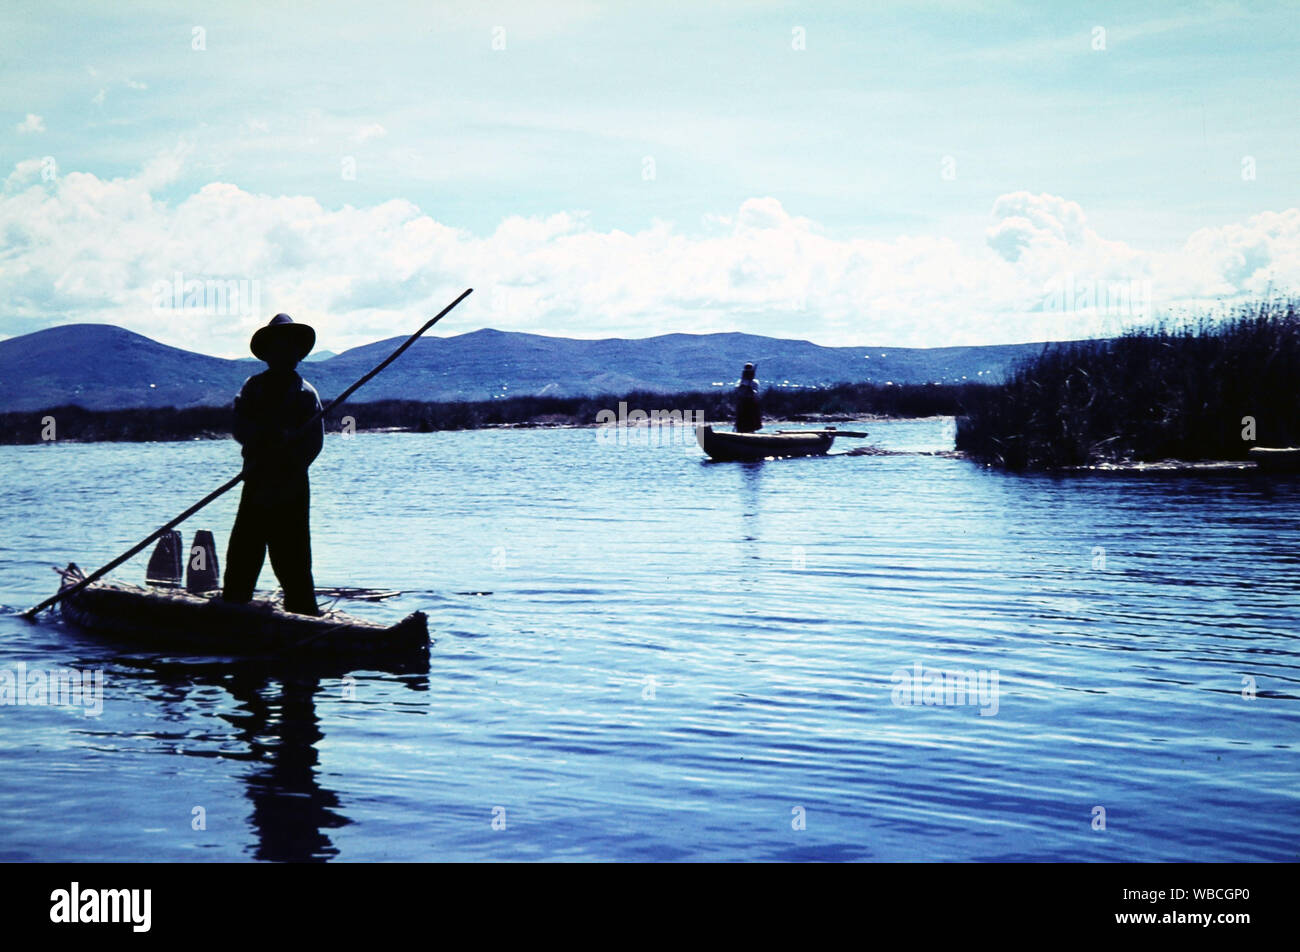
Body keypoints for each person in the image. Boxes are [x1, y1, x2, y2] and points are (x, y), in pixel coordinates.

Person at [222, 313, 324, 616]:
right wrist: (263, 440)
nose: (286, 354)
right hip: (257, 479)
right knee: (244, 550)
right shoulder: (253, 388)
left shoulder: (306, 394)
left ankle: (303, 613)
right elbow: (239, 426)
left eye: (291, 348)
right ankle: (232, 609)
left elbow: (313, 444)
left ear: (298, 354)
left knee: (292, 556)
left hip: (291, 485)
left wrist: (288, 457)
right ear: (269, 354)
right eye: (280, 348)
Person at [734, 362, 763, 433]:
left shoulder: (755, 382)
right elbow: (737, 390)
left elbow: (755, 393)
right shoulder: (740, 381)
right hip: (742, 404)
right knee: (741, 422)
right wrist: (743, 386)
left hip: (751, 404)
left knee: (751, 422)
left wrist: (750, 389)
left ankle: (751, 434)